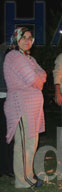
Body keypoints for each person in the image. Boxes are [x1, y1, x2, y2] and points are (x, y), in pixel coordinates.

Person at [3, 27, 46, 188]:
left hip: (32, 108)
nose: (27, 41)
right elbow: (33, 79)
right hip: (20, 106)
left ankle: (29, 176)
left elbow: (43, 74)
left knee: (31, 143)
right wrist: (37, 78)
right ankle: (23, 180)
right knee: (23, 145)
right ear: (16, 39)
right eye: (23, 37)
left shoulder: (28, 58)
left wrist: (38, 77)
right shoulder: (14, 56)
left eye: (30, 38)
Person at [0, 50, 14, 178]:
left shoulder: (6, 55)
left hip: (6, 97)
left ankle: (7, 166)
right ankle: (6, 167)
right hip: (5, 96)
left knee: (7, 134)